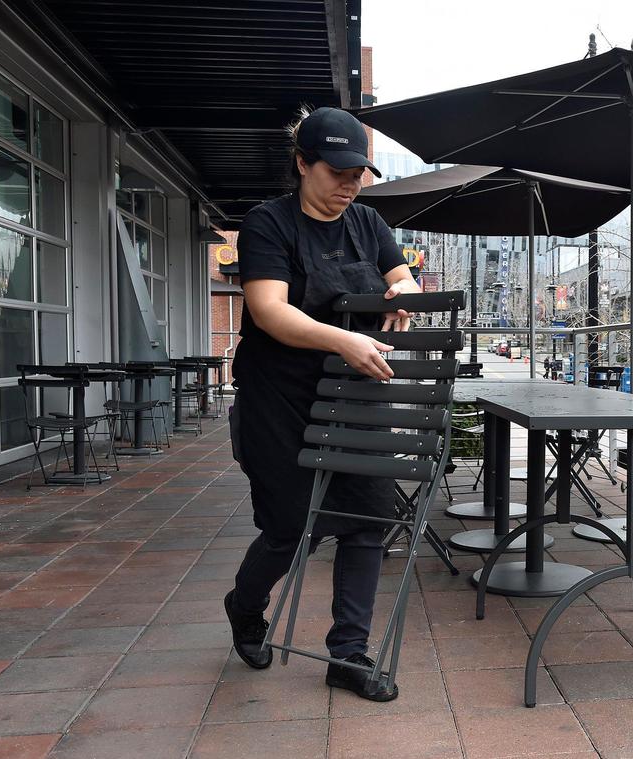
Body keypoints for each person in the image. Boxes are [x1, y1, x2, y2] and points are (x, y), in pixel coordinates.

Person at [224, 106, 421, 701]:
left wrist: (402, 294)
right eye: (337, 170)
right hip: (279, 395)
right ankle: (245, 605)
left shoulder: (367, 221)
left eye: (358, 172)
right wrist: (344, 337)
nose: (350, 183)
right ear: (303, 163)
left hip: (358, 391)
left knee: (367, 521)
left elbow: (405, 278)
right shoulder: (268, 223)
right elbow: (269, 310)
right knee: (288, 527)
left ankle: (349, 654)